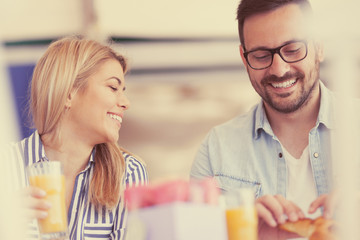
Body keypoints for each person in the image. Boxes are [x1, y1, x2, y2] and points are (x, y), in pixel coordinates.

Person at [190, 0, 338, 239]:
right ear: (243, 56)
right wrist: (243, 233)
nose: (279, 70)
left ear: (319, 45)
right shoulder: (216, 148)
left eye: (292, 49)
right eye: (260, 55)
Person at [2, 36, 148, 240]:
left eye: (123, 91)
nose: (125, 103)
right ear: (69, 93)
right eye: (113, 88)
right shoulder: (6, 164)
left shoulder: (128, 173)